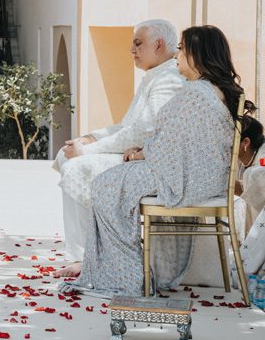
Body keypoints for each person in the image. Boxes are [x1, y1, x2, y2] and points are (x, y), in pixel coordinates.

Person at [63, 25, 251, 298]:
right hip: (201, 177)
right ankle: (130, 270)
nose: (176, 56)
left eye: (182, 50)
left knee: (105, 187)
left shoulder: (196, 93)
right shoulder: (211, 90)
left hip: (187, 179)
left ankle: (125, 276)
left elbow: (174, 143)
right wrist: (149, 150)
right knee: (110, 184)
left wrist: (143, 153)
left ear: (198, 54)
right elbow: (184, 141)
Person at [54, 20, 185, 276]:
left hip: (152, 164)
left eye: (138, 43)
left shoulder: (168, 79)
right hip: (135, 154)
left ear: (159, 45)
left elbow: (144, 130)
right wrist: (90, 138)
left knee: (78, 167)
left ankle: (85, 258)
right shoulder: (155, 75)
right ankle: (91, 249)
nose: (132, 50)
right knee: (65, 154)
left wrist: (88, 151)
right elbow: (126, 126)